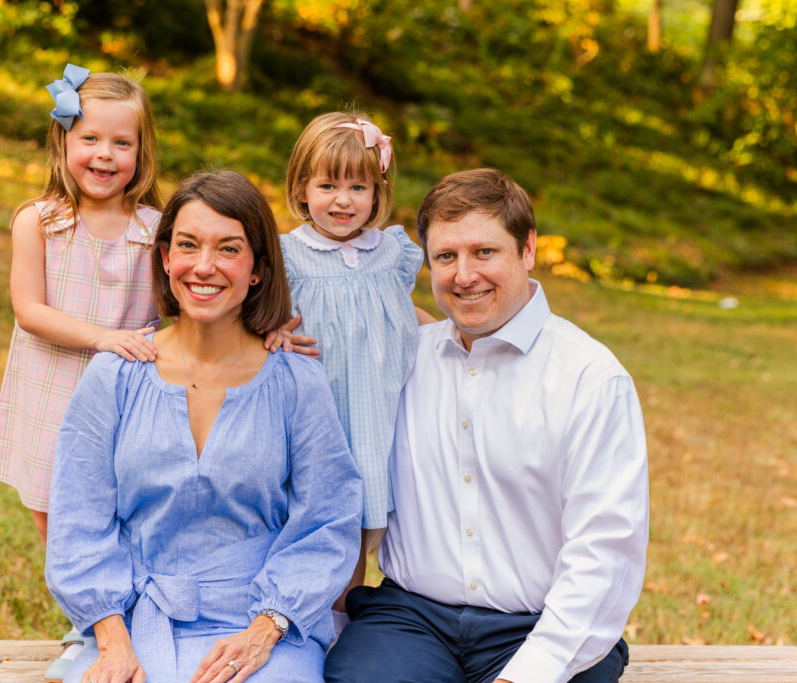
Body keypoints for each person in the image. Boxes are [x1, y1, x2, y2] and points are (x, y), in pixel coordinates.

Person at [325, 168, 649, 683]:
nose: (463, 275)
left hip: (542, 625)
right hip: (413, 620)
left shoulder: (589, 377)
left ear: (528, 250)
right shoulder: (402, 361)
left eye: (484, 252)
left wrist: (529, 673)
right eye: (446, 257)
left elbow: (606, 548)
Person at [45, 170, 363, 683]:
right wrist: (113, 644)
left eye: (229, 249)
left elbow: (327, 521)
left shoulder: (296, 381)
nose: (205, 266)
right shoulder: (115, 375)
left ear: (257, 268)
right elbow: (77, 520)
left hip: (262, 625)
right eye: (188, 245)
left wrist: (266, 629)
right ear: (166, 257)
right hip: (132, 621)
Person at [0, 63, 163, 682]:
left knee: (122, 513)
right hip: (52, 389)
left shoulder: (154, 230)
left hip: (127, 399)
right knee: (56, 517)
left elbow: (180, 306)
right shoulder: (40, 220)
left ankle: (124, 620)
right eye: (90, 139)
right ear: (62, 143)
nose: (104, 155)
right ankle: (90, 623)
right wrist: (106, 338)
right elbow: (30, 311)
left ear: (142, 151)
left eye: (122, 142)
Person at [266, 111, 435, 630]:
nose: (343, 200)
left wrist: (456, 340)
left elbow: (408, 316)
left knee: (365, 521)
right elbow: (267, 318)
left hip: (379, 414)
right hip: (318, 412)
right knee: (310, 516)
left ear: (378, 191)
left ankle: (343, 624)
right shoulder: (290, 255)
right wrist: (271, 334)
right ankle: (292, 614)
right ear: (301, 189)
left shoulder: (393, 252)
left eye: (358, 186)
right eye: (328, 185)